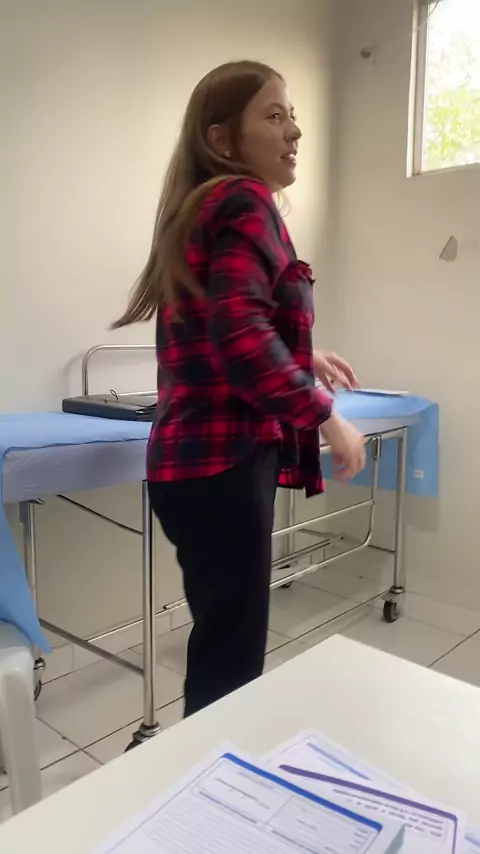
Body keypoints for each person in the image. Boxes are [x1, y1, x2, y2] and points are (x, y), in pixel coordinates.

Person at [113, 60, 366, 717]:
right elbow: (241, 338)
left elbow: (223, 326)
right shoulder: (243, 201)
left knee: (223, 642)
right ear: (222, 139)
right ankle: (215, 774)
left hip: (191, 466)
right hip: (221, 465)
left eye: (293, 116)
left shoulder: (207, 207)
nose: (295, 131)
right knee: (231, 659)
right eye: (274, 116)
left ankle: (212, 764)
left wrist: (305, 358)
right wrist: (327, 416)